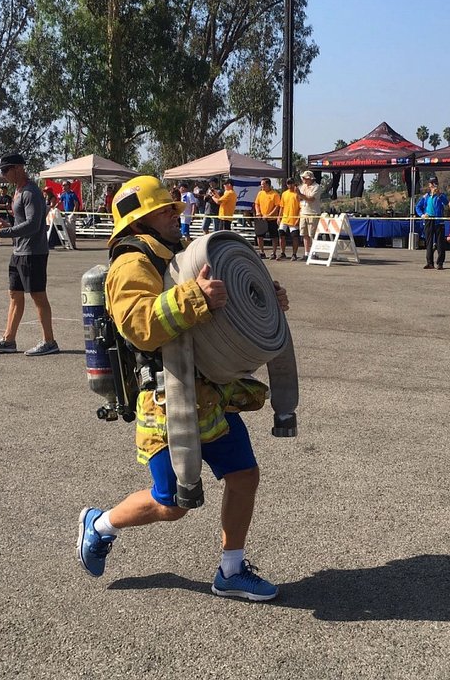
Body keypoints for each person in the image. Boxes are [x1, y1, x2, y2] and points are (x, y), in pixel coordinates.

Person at [75, 175, 289, 601]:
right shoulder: (130, 266)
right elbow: (140, 327)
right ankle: (98, 525)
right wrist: (196, 297)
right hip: (167, 401)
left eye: (174, 207)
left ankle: (230, 570)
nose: (178, 213)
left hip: (212, 392)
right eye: (166, 209)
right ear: (140, 221)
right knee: (171, 505)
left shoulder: (178, 254)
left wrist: (262, 295)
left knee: (244, 476)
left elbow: (218, 311)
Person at [0, 153, 58, 357]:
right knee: (15, 294)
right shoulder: (18, 191)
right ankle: (9, 340)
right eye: (3, 171)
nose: (5, 175)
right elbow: (23, 222)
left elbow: (33, 225)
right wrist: (7, 225)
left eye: (6, 170)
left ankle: (49, 341)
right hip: (19, 251)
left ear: (18, 168)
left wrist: (3, 233)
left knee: (38, 295)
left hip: (33, 252)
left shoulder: (30, 192)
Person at [418, 178, 448, 270]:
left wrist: (439, 194)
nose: (434, 186)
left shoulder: (441, 195)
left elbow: (446, 202)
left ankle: (440, 263)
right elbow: (418, 207)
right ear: (429, 185)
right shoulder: (426, 196)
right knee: (429, 242)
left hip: (439, 221)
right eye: (432, 184)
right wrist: (422, 215)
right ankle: (429, 262)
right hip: (429, 220)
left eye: (435, 184)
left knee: (440, 243)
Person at [253, 178, 281, 259]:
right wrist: (258, 212)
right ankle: (262, 252)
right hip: (261, 219)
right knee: (259, 235)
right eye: (261, 185)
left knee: (274, 236)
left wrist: (269, 215)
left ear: (268, 185)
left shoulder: (275, 194)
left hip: (271, 219)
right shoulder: (260, 193)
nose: (262, 186)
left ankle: (274, 253)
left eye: (264, 185)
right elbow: (256, 204)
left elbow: (277, 206)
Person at [297, 170, 321, 259]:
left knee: (313, 234)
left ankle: (315, 253)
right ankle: (306, 253)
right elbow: (298, 197)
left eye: (305, 178)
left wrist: (300, 195)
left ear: (310, 178)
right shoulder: (302, 186)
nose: (303, 180)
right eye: (302, 178)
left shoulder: (316, 187)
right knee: (304, 234)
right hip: (303, 212)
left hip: (313, 213)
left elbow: (311, 199)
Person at [277, 177, 301, 261]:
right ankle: (282, 253)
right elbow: (281, 207)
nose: (290, 185)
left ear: (294, 183)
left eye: (291, 183)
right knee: (281, 235)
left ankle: (294, 254)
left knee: (294, 236)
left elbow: (301, 208)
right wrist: (279, 217)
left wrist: (298, 218)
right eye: (288, 183)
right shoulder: (284, 194)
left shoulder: (297, 194)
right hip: (285, 218)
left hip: (294, 218)